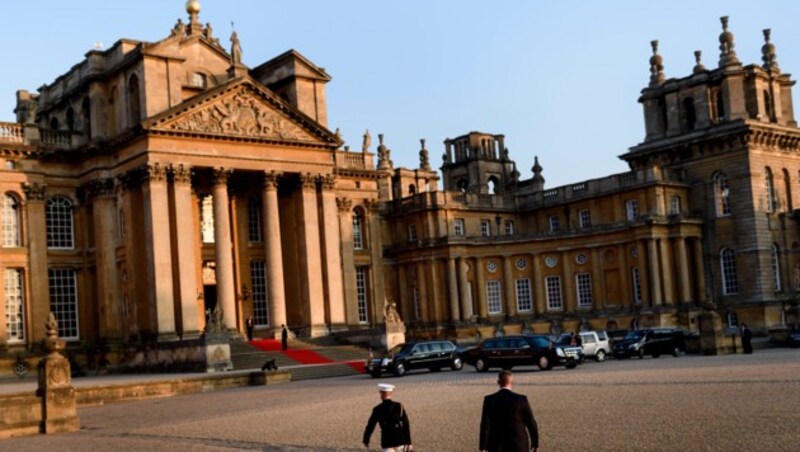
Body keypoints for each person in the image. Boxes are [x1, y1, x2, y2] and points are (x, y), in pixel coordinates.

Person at [480, 370, 539, 452]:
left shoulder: (490, 400)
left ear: (498, 382)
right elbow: (531, 423)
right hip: (519, 445)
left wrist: (483, 447)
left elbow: (485, 425)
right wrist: (535, 444)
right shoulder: (521, 400)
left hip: (497, 445)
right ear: (512, 382)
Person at [363, 383, 412, 451]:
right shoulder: (399, 406)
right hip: (400, 439)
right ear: (391, 393)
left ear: (381, 394)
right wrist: (409, 442)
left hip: (387, 440)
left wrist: (366, 439)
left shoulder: (377, 409)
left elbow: (370, 426)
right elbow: (406, 424)